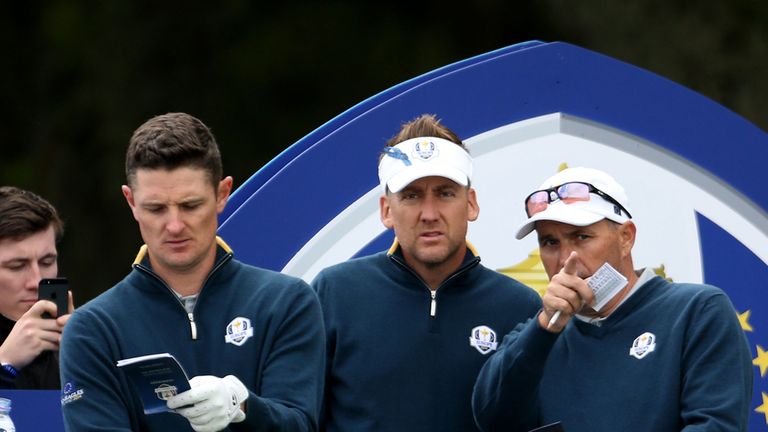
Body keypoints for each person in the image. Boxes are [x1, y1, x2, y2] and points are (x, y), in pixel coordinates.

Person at [60, 113, 325, 431]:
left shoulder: (286, 302)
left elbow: (300, 424)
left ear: (222, 194)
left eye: (190, 205)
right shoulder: (93, 329)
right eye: (156, 208)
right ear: (131, 201)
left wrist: (241, 406)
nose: (174, 225)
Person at [472, 167, 753, 432]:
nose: (565, 259)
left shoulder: (695, 310)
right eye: (550, 242)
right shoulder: (540, 334)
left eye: (581, 236)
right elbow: (492, 420)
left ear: (626, 238)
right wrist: (544, 327)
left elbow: (715, 425)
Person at [312, 114, 542, 432]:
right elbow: (303, 417)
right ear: (386, 210)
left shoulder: (519, 306)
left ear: (471, 204)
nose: (430, 214)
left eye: (445, 193)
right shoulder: (335, 293)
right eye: (412, 195)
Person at [0, 186, 73, 389]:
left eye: (47, 262)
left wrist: (82, 357)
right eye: (17, 266)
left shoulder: (81, 339)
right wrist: (5, 364)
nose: (36, 280)